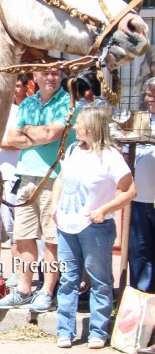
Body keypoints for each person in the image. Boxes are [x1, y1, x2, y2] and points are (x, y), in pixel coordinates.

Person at [0, 66, 77, 313]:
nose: (51, 77)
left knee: (52, 240)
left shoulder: (67, 102)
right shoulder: (27, 103)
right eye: (45, 73)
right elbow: (9, 137)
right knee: (23, 236)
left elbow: (53, 133)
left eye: (55, 73)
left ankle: (47, 292)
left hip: (55, 177)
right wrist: (41, 133)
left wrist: (28, 132)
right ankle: (24, 290)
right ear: (35, 77)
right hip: (26, 176)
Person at [52, 107, 136, 349]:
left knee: (99, 280)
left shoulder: (110, 156)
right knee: (68, 279)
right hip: (67, 226)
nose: (75, 126)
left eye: (78, 123)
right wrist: (55, 205)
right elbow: (61, 178)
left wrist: (104, 210)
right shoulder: (72, 150)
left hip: (95, 227)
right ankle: (64, 331)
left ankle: (98, 331)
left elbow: (130, 190)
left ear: (90, 127)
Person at [0, 74, 30, 284]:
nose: (14, 90)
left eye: (19, 86)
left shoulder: (23, 112)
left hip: (12, 176)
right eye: (12, 86)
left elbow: (20, 143)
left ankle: (16, 272)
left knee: (14, 228)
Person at [130, 78, 155, 296]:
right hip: (139, 200)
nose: (149, 99)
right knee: (139, 252)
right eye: (148, 95)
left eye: (153, 96)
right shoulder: (140, 120)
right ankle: (139, 298)